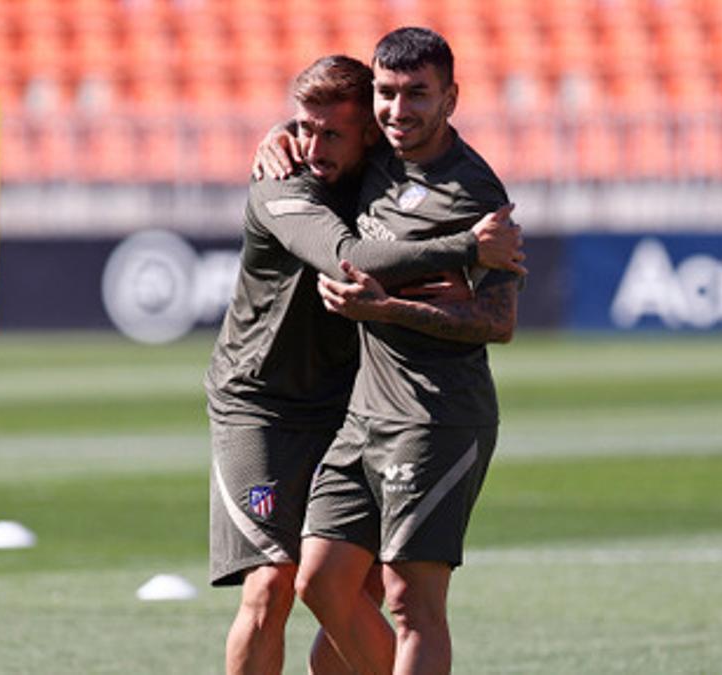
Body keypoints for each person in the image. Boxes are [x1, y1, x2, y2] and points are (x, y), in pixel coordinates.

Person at [205, 54, 523, 675]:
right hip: (261, 401)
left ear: (368, 135)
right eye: (303, 127)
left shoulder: (386, 172)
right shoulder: (282, 180)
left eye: (331, 133)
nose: (311, 144)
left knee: (354, 591)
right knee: (272, 582)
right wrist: (467, 246)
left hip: (352, 400)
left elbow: (497, 310)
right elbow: (347, 255)